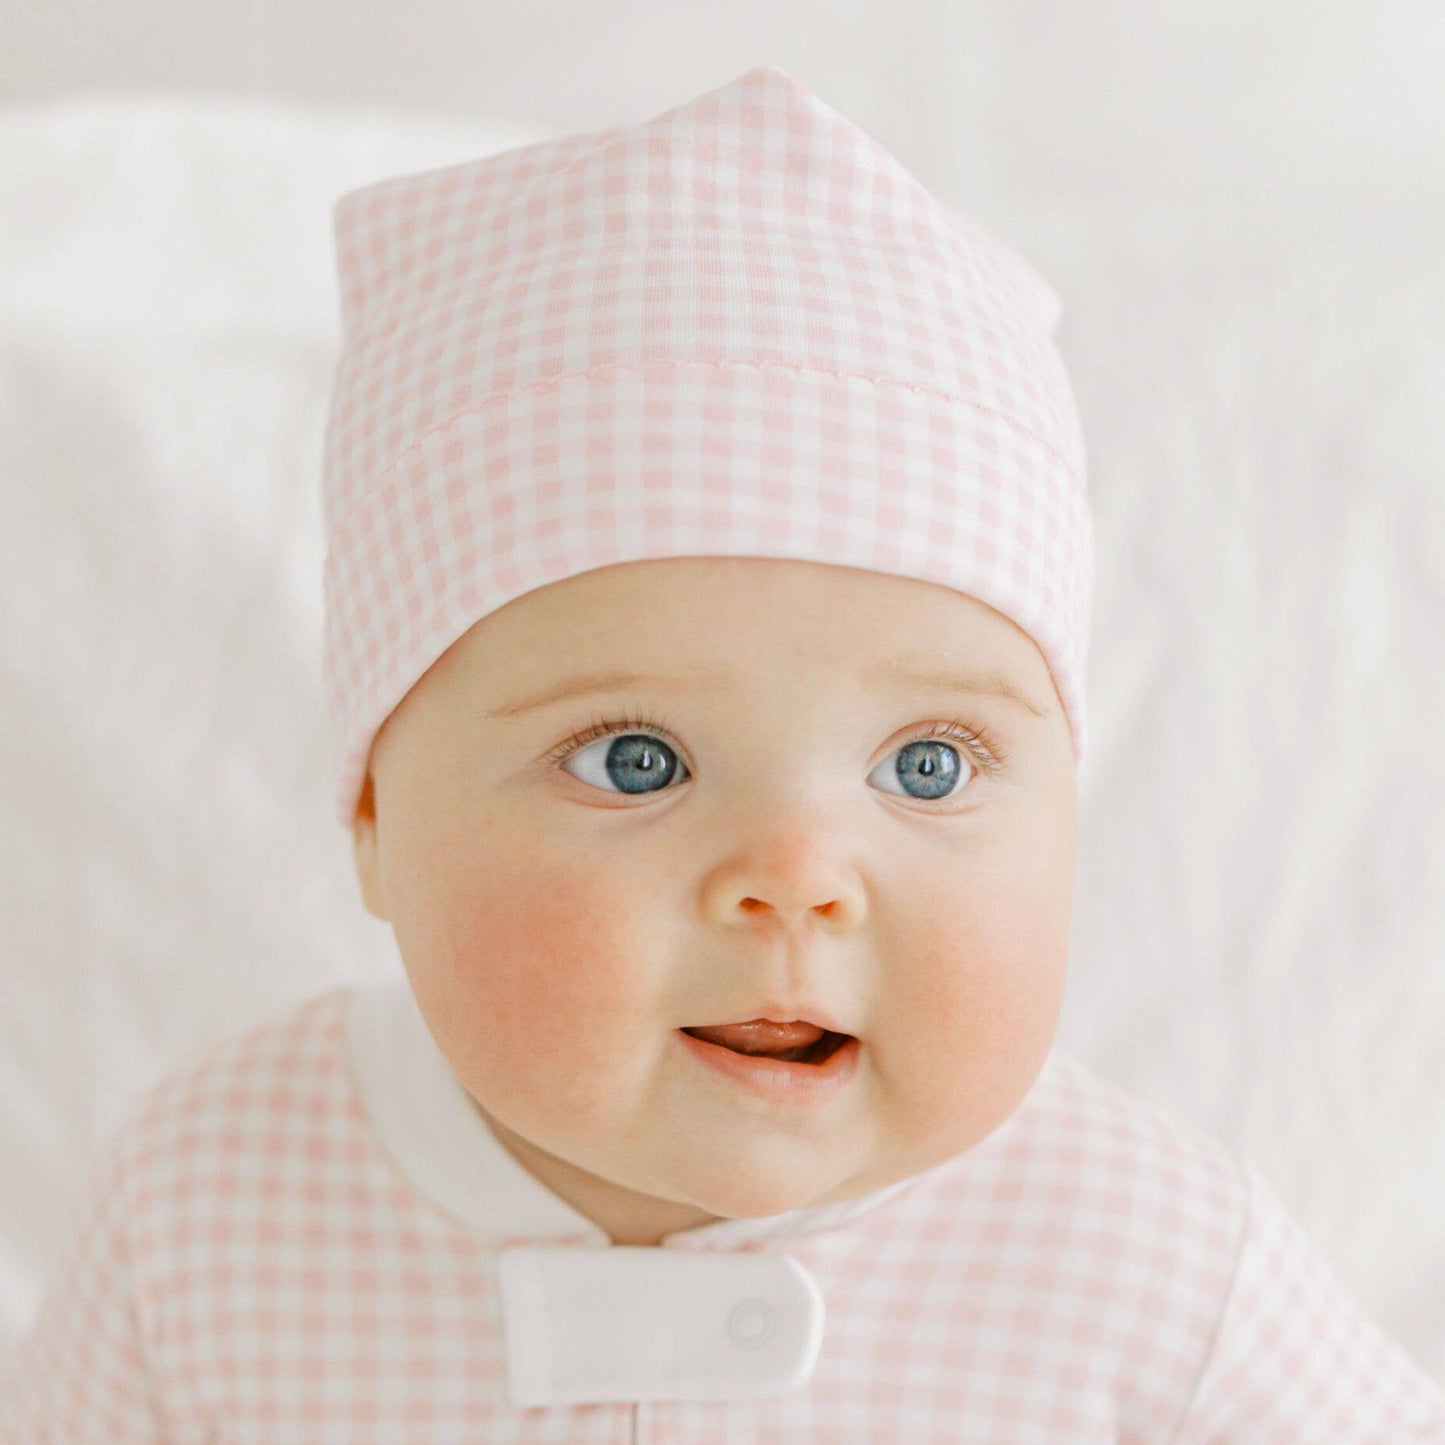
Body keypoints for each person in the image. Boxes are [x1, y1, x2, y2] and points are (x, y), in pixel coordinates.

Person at [3, 63, 1441, 1442]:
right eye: (636, 760)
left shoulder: (1148, 1262)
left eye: (928, 766)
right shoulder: (204, 1211)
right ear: (375, 810)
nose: (796, 878)